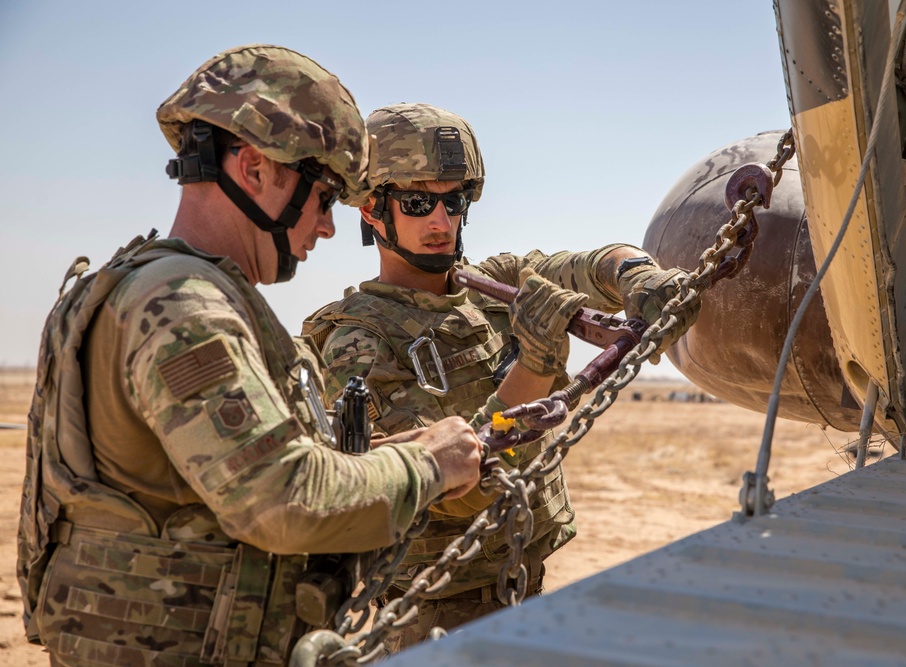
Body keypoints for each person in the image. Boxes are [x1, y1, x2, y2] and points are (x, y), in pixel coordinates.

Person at [16, 47, 484, 667]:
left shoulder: (178, 291)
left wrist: (377, 460)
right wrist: (429, 465)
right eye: (322, 197)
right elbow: (283, 500)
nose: (327, 227)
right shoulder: (182, 307)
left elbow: (218, 482)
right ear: (256, 168)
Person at [302, 103, 701, 652]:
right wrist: (535, 367)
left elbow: (588, 264)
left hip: (523, 574)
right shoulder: (358, 340)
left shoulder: (490, 284)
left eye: (454, 201)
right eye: (418, 203)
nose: (442, 222)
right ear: (371, 210)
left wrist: (640, 276)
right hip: (436, 611)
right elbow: (452, 492)